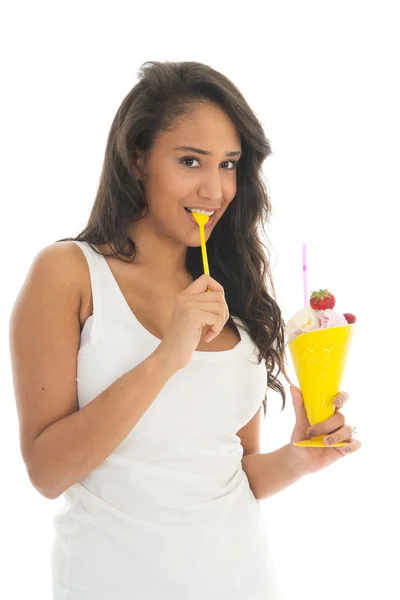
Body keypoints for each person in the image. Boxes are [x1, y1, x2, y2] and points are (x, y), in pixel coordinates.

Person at [9, 60, 361, 599]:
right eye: (191, 160)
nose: (215, 189)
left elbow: (230, 474)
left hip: (243, 580)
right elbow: (47, 472)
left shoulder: (232, 291)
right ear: (138, 156)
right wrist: (165, 358)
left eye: (229, 165)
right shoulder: (70, 273)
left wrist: (298, 458)